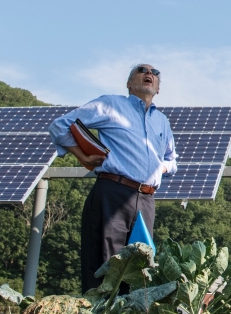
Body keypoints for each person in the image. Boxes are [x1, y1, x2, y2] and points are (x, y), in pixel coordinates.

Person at [49, 64, 177, 292]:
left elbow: (172, 160)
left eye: (155, 73)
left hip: (146, 201)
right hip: (113, 193)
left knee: (141, 272)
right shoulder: (110, 105)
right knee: (106, 269)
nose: (149, 74)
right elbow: (60, 126)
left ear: (158, 89)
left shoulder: (162, 122)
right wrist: (83, 156)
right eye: (142, 70)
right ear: (129, 84)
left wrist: (161, 168)